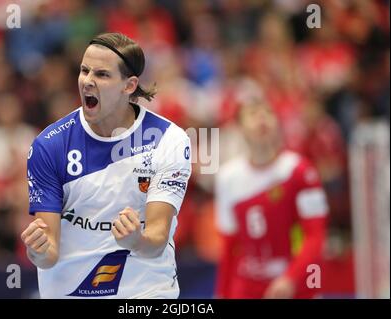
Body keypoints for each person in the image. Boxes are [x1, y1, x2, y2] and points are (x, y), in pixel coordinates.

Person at [21, 32, 192, 299]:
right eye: (84, 70)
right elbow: (49, 253)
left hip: (144, 292)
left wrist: (136, 240)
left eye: (101, 74)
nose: (87, 81)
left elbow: (156, 240)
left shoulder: (168, 140)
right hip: (69, 292)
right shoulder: (49, 146)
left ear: (129, 85)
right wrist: (38, 252)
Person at [214, 97, 328, 299]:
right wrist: (222, 293)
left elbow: (315, 235)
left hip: (295, 283)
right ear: (240, 129)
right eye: (253, 114)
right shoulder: (228, 177)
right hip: (248, 285)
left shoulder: (299, 171)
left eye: (268, 113)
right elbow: (230, 246)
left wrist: (291, 278)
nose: (262, 119)